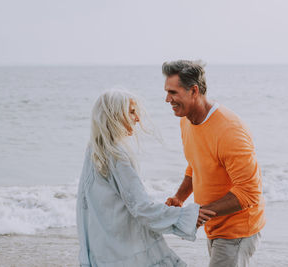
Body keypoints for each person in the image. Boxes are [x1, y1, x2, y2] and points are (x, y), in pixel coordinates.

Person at [76, 90, 216, 267]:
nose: (137, 119)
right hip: (123, 253)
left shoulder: (95, 150)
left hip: (102, 250)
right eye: (132, 112)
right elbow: (141, 208)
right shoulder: (116, 155)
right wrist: (186, 216)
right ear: (115, 115)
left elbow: (84, 206)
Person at [162, 60, 266, 267]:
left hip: (237, 230)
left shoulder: (229, 131)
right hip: (215, 226)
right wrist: (180, 198)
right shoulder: (186, 120)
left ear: (193, 91)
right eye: (167, 92)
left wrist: (198, 215)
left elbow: (249, 192)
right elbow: (195, 164)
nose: (167, 99)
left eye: (173, 92)